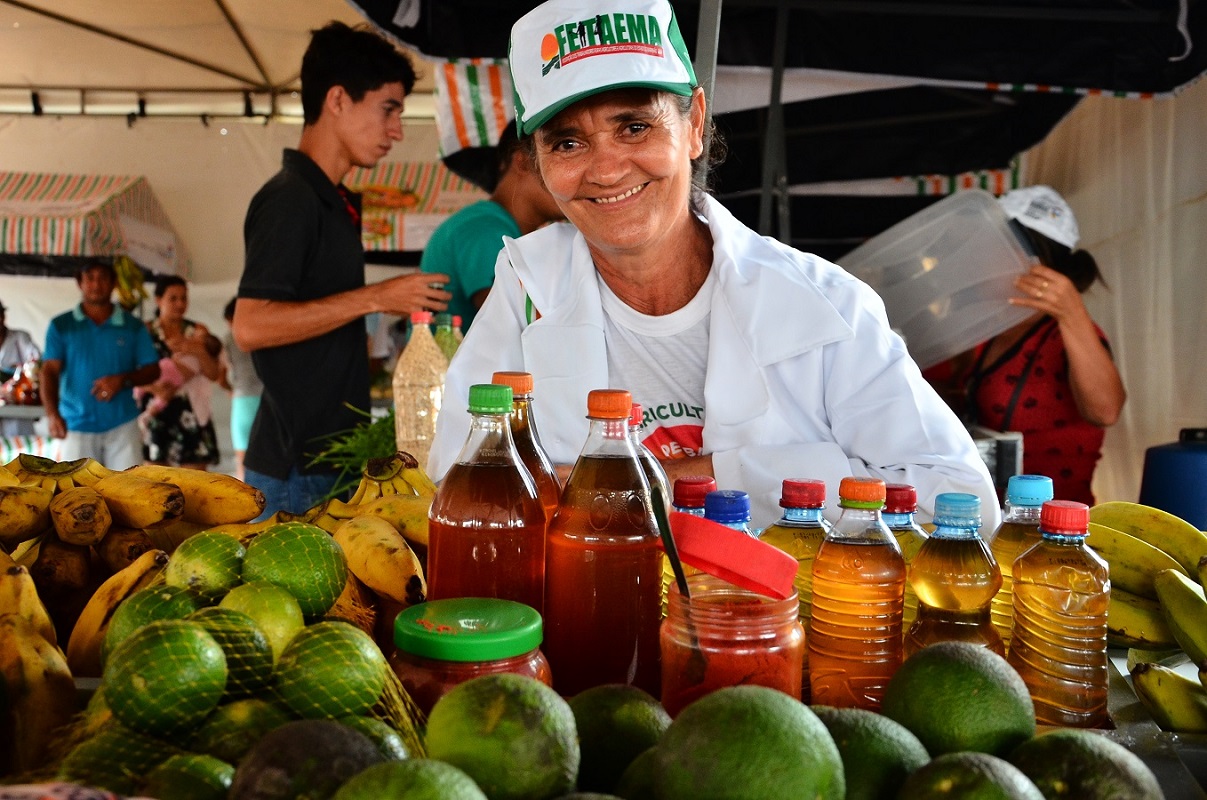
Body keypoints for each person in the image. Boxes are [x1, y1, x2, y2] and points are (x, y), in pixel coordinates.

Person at [428, 0, 999, 528]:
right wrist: (810, 468)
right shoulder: (526, 291)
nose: (605, 170)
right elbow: (455, 491)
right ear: (536, 162)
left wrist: (694, 477)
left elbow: (961, 498)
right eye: (567, 143)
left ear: (695, 123)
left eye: (634, 126)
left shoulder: (825, 303)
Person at [233, 21, 451, 516]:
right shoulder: (291, 199)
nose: (397, 129)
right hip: (299, 467)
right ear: (337, 100)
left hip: (330, 457)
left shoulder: (333, 201)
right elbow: (250, 326)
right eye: (388, 109)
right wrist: (377, 297)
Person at [927, 186, 1125, 505]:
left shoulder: (1065, 333)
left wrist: (1072, 311)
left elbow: (1105, 411)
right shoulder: (985, 329)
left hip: (1054, 529)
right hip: (988, 519)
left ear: (1032, 261)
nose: (972, 260)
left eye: (985, 249)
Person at [420, 125, 564, 331]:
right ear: (522, 161)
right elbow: (512, 321)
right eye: (563, 155)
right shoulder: (485, 229)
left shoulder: (497, 225)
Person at [40, 262, 161, 468]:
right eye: (90, 277)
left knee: (127, 493)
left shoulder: (133, 326)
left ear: (113, 282)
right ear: (80, 282)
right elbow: (49, 371)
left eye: (103, 277)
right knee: (76, 494)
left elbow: (153, 370)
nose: (96, 284)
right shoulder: (61, 325)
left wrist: (122, 380)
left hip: (122, 425)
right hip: (75, 425)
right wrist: (52, 415)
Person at [137, 275, 222, 469]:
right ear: (158, 300)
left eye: (184, 298)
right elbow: (129, 373)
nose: (180, 304)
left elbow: (213, 374)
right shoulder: (144, 331)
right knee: (156, 484)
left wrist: (196, 350)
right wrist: (154, 388)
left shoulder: (198, 332)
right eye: (173, 298)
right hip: (156, 410)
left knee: (195, 483)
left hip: (190, 411)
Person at [218, 297, 262, 482]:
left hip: (243, 400)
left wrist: (231, 388)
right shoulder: (266, 334)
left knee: (243, 460)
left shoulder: (229, 339)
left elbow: (221, 376)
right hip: (267, 397)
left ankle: (247, 504)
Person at [0, 300, 43, 438]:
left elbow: (37, 364)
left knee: (18, 454)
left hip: (18, 415)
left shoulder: (20, 338)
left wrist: (17, 381)